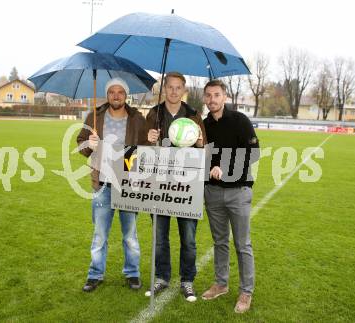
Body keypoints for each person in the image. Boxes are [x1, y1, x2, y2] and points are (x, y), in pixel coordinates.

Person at [77, 77, 148, 292]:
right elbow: (81, 147)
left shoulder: (137, 118)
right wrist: (89, 143)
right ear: (107, 95)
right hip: (103, 184)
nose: (116, 95)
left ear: (126, 95)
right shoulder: (95, 116)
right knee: (99, 235)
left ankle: (132, 273)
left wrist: (152, 139)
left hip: (128, 184)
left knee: (130, 235)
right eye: (112, 92)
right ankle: (95, 274)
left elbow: (148, 149)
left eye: (120, 92)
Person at [145, 71, 206, 302]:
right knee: (159, 237)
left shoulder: (193, 115)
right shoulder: (154, 114)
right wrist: (147, 140)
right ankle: (161, 277)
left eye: (178, 87)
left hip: (187, 187)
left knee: (188, 238)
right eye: (169, 87)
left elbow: (204, 150)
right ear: (165, 89)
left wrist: (200, 143)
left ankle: (187, 280)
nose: (173, 91)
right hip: (159, 186)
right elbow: (141, 152)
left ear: (184, 90)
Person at [201, 79, 260, 313]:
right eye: (208, 95)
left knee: (242, 243)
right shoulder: (203, 126)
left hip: (238, 191)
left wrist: (225, 167)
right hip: (212, 192)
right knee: (219, 241)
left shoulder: (240, 121)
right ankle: (221, 283)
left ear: (224, 97)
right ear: (204, 98)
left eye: (216, 95)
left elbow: (253, 153)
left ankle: (246, 291)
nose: (212, 99)